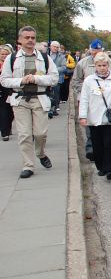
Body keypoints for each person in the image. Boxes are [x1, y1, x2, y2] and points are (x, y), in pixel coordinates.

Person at [0, 26, 59, 178]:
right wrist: (21, 80)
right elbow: (4, 80)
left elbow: (54, 78)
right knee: (25, 134)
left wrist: (36, 78)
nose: (30, 40)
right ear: (20, 40)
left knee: (40, 133)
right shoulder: (11, 58)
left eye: (33, 37)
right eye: (27, 38)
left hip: (40, 98)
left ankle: (40, 153)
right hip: (20, 100)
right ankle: (28, 165)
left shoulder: (44, 57)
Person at [78, 52, 111, 180]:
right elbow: (84, 99)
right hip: (93, 118)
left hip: (109, 119)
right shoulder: (89, 81)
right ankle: (101, 166)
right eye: (99, 65)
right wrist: (82, 116)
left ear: (108, 65)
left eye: (104, 65)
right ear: (95, 66)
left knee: (109, 144)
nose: (102, 68)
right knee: (97, 145)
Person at [72, 39, 111, 161]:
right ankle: (91, 150)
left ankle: (105, 157)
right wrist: (85, 89)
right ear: (90, 50)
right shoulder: (82, 64)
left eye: (99, 51)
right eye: (94, 51)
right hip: (89, 101)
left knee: (107, 135)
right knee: (91, 128)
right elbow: (75, 81)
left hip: (107, 103)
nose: (96, 53)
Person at [48, 41, 67, 118]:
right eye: (54, 46)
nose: (55, 48)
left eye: (57, 47)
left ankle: (54, 108)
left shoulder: (61, 56)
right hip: (46, 78)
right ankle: (48, 108)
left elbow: (64, 67)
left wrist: (54, 70)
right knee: (47, 93)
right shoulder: (46, 55)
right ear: (50, 47)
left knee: (56, 93)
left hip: (57, 78)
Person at [0, 44, 15, 141]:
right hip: (1, 90)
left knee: (10, 112)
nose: (4, 56)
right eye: (2, 54)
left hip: (10, 90)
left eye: (6, 54)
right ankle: (4, 132)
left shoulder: (12, 64)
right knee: (3, 111)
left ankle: (7, 128)